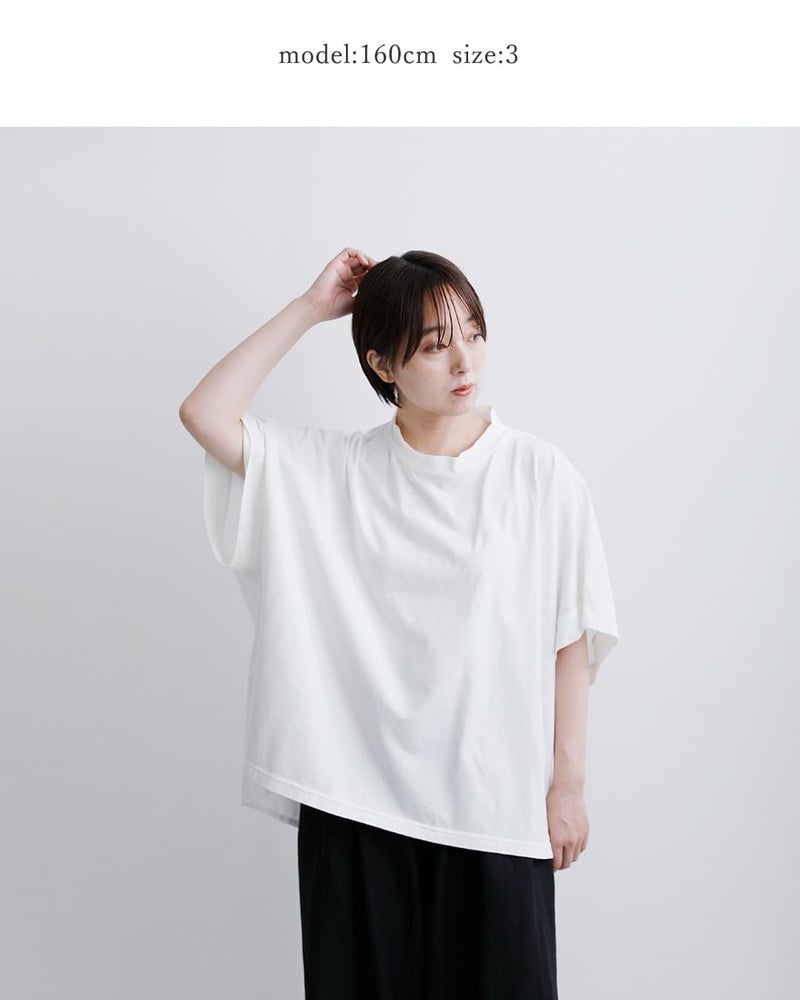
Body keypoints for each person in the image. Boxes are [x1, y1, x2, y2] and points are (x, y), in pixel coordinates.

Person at [179, 246, 619, 999]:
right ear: (382, 364)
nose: (464, 360)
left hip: (494, 811)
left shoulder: (540, 476)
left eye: (473, 332)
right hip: (356, 811)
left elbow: (569, 637)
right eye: (435, 344)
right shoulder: (331, 473)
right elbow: (204, 413)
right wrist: (311, 309)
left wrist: (568, 786)